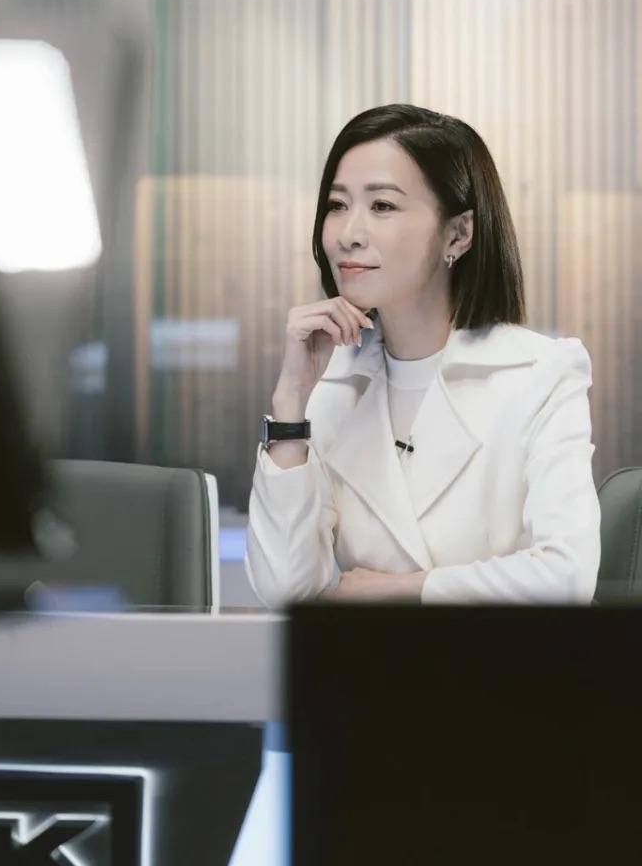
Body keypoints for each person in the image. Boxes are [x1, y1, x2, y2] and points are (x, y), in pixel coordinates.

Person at [245, 104, 601, 607]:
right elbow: (286, 590)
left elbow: (567, 576)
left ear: (458, 234)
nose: (348, 233)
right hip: (364, 658)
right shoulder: (330, 380)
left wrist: (401, 592)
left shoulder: (541, 374)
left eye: (382, 206)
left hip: (501, 657)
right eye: (337, 205)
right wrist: (290, 407)